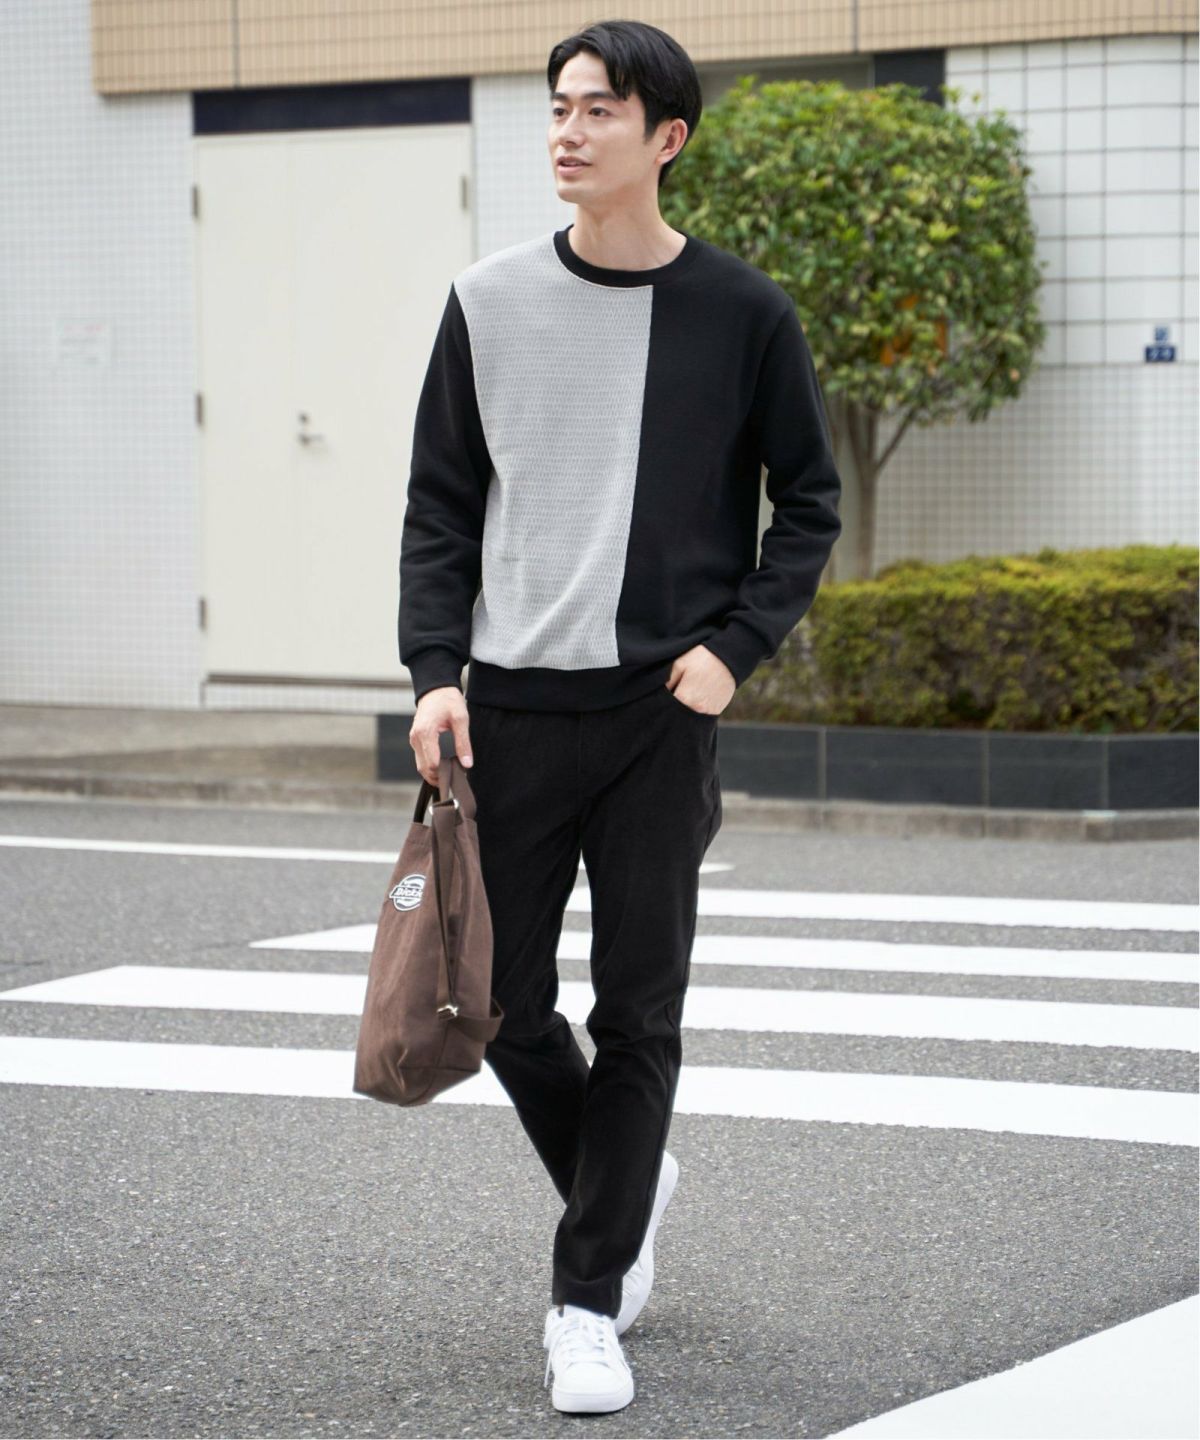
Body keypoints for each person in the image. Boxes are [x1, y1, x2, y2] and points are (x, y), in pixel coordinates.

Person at [397, 17, 842, 1416]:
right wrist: (434, 670)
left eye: (601, 109)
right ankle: (627, 1174)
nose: (569, 130)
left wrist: (735, 651)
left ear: (668, 138)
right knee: (500, 1001)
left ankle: (586, 1301)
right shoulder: (486, 301)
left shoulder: (744, 314)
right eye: (560, 105)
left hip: (659, 711)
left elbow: (808, 502)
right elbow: (440, 505)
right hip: (511, 710)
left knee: (639, 1010)